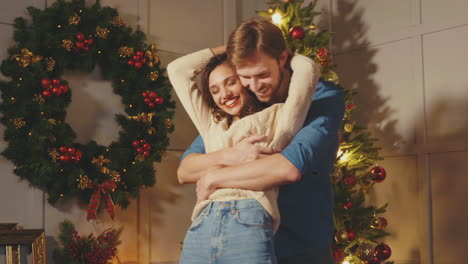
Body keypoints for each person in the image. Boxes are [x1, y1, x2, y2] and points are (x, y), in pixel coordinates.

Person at [177, 18, 345, 264]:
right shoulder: (243, 103)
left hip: (301, 245)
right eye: (244, 76)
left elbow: (288, 167)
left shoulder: (323, 97)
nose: (255, 86)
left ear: (283, 58)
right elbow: (186, 169)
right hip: (238, 240)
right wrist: (229, 155)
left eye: (262, 75)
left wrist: (213, 177)